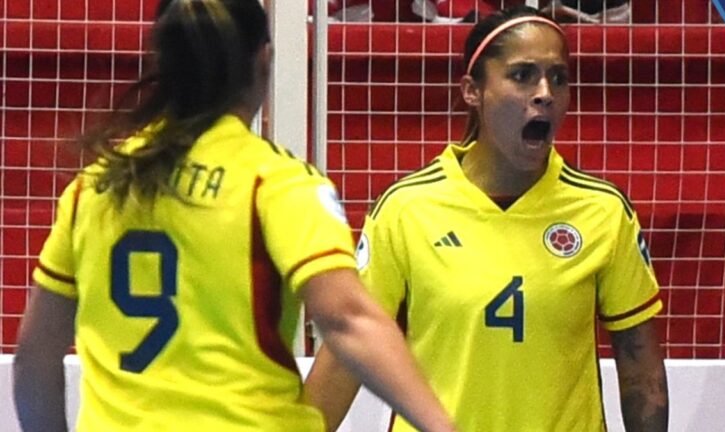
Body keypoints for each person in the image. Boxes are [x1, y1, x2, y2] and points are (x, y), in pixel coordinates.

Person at [12, 1, 456, 431]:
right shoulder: (276, 184)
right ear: (263, 59)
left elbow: (35, 358)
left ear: (161, 66)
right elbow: (347, 320)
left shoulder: (96, 187)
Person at [305, 5, 668, 431]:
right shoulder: (407, 208)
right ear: (472, 91)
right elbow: (348, 352)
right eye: (522, 75)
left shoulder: (602, 211)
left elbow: (640, 368)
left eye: (559, 77)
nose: (545, 92)